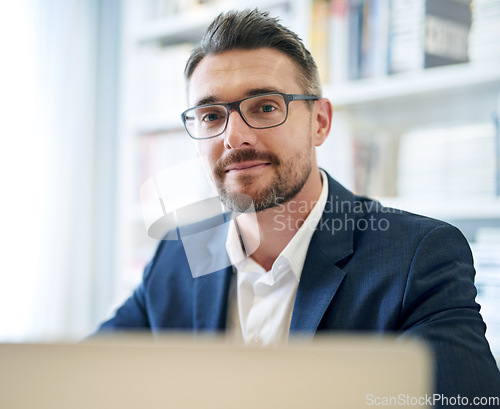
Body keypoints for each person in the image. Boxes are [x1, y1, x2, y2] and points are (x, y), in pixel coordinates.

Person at [99, 8, 500, 404]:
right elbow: (87, 374)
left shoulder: (417, 257)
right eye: (210, 116)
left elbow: (466, 400)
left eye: (265, 107)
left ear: (320, 122)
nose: (234, 136)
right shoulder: (178, 253)